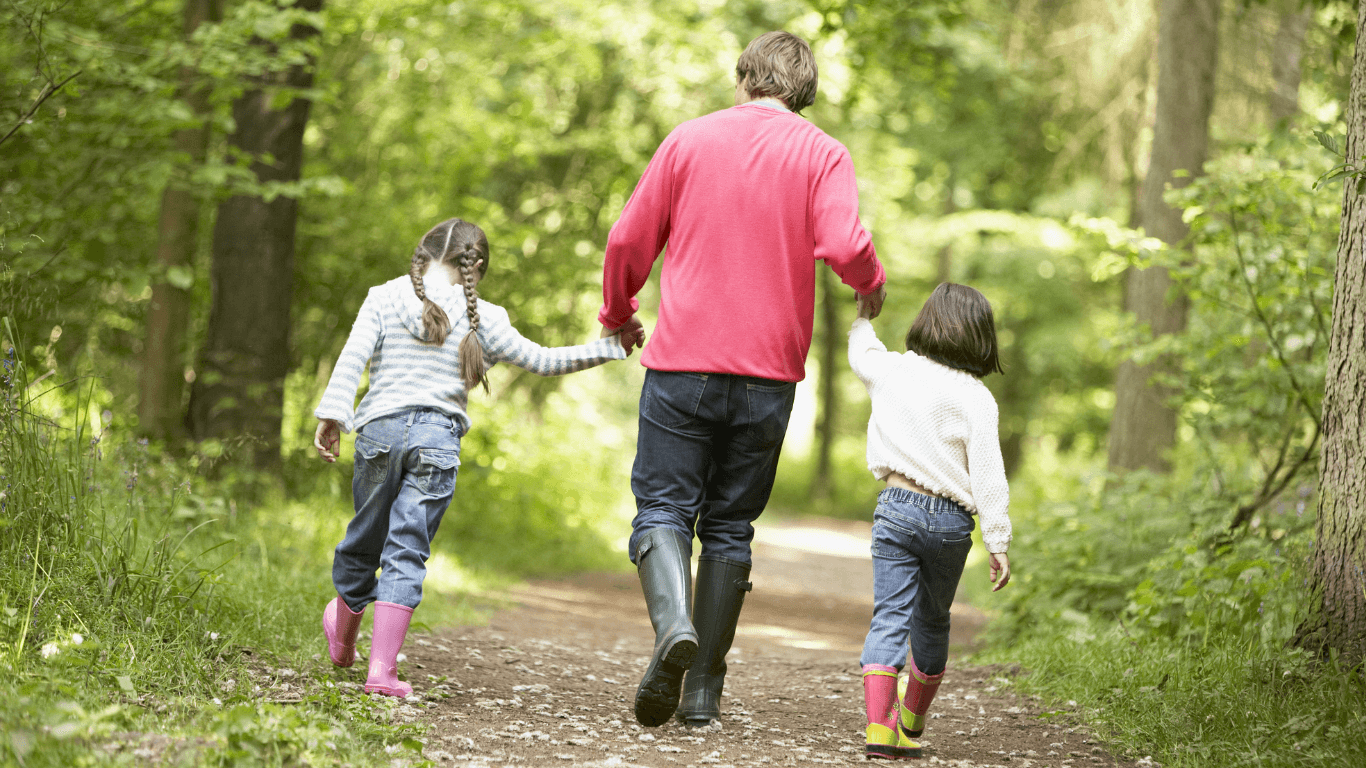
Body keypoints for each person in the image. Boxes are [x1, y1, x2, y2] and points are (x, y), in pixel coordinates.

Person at [598, 31, 888, 728]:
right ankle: (702, 693)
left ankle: (673, 631)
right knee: (730, 526)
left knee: (663, 509)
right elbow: (846, 245)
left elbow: (625, 242)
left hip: (682, 365)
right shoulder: (824, 153)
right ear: (804, 89)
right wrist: (870, 283)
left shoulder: (688, 140)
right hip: (769, 375)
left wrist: (619, 311)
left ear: (746, 77)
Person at [312, 217, 629, 698]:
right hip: (437, 442)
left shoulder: (384, 295)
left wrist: (334, 416)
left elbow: (353, 357)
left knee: (366, 534)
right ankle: (380, 672)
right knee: (407, 548)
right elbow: (544, 360)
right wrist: (611, 347)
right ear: (475, 265)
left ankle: (343, 630)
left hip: (380, 430)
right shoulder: (488, 318)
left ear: (424, 250)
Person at [848, 282, 1014, 759]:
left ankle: (879, 727)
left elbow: (862, 352)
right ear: (982, 338)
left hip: (897, 509)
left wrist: (864, 314)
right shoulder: (978, 397)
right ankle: (913, 718)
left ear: (926, 321)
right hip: (950, 524)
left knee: (890, 616)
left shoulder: (894, 370)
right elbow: (989, 475)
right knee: (933, 620)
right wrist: (997, 539)